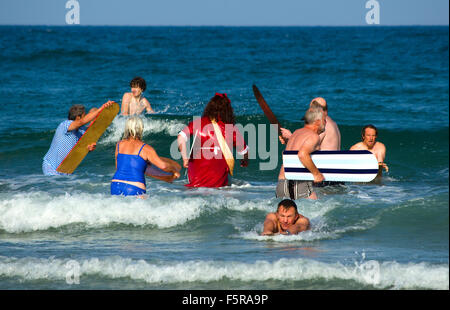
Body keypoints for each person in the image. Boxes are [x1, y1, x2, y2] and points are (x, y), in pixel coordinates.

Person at [177, 93, 249, 187]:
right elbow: (245, 151)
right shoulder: (230, 129)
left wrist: (185, 158)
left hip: (194, 181)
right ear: (228, 110)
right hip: (218, 183)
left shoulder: (197, 123)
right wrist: (244, 161)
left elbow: (180, 137)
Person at [111, 116, 180, 196]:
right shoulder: (145, 148)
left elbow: (118, 167)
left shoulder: (119, 144)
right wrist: (174, 170)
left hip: (116, 184)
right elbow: (163, 166)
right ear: (141, 129)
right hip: (134, 187)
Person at [42, 101, 114, 176]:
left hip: (66, 170)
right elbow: (81, 122)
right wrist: (100, 109)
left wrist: (89, 148)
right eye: (84, 115)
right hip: (51, 166)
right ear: (78, 117)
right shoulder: (65, 125)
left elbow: (81, 148)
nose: (85, 117)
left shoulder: (82, 131)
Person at [276, 105, 326, 200]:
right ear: (318, 121)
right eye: (324, 120)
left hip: (282, 183)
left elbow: (287, 154)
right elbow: (302, 154)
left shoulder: (296, 133)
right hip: (298, 183)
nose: (326, 122)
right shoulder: (313, 136)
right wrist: (316, 174)